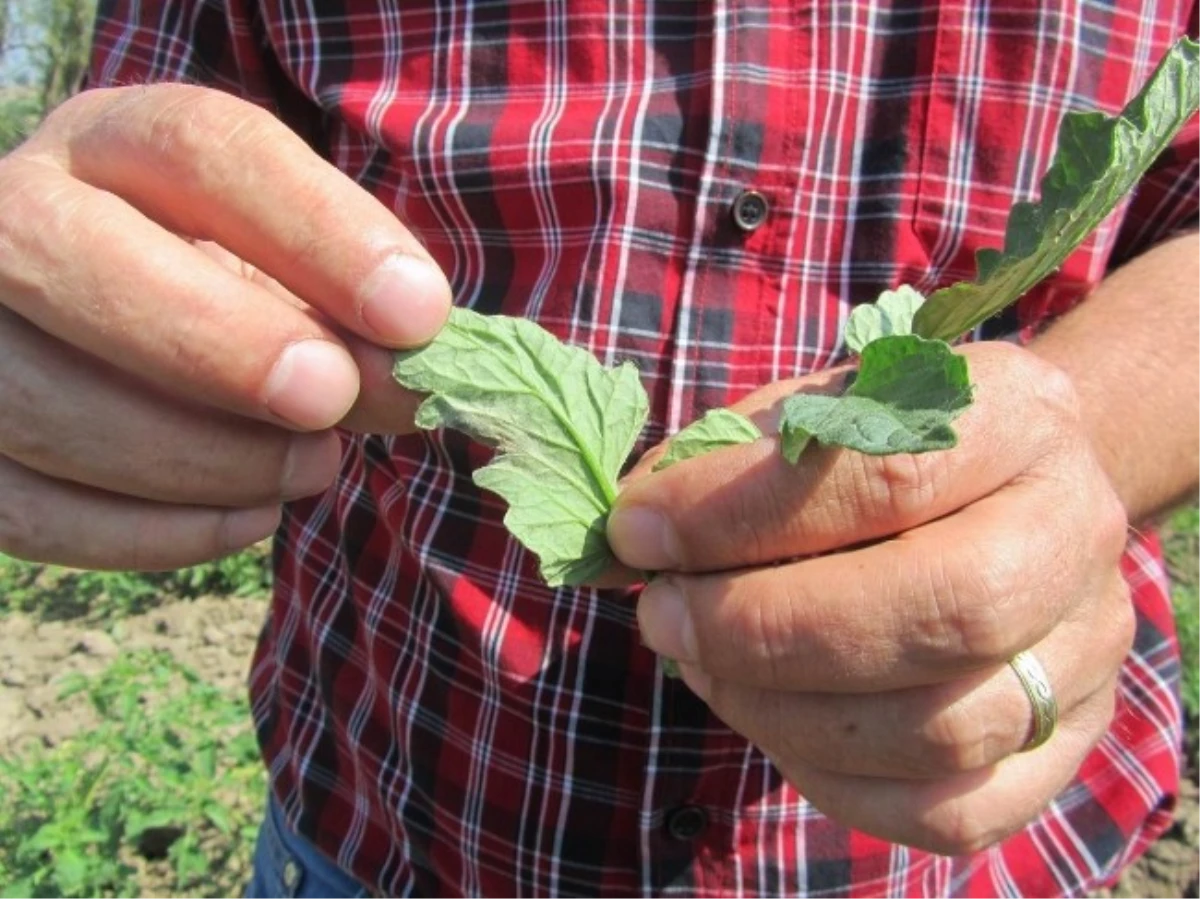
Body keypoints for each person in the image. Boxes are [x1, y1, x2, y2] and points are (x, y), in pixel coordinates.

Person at [1, 1, 1196, 895]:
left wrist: (1064, 440)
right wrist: (97, 289)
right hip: (395, 820)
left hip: (967, 856)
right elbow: (146, 159)